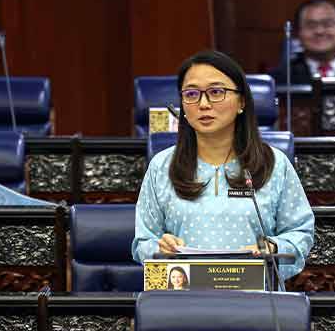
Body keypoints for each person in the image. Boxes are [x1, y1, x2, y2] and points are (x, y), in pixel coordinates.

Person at [133, 51, 314, 281]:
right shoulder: (162, 166)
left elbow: (301, 232)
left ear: (242, 101)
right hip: (183, 301)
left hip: (254, 300)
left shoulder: (274, 164)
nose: (203, 104)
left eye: (216, 92)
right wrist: (160, 249)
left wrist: (273, 247)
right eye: (191, 94)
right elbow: (143, 242)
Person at [270, 0, 335, 85]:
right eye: (310, 25)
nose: (319, 31)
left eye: (328, 24)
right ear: (298, 33)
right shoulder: (278, 79)